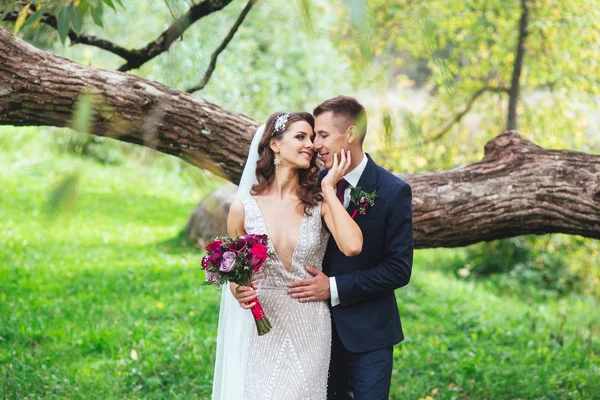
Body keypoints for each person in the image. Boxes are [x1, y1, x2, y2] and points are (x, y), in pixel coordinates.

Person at [211, 111, 363, 400]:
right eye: (300, 137)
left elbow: (353, 245)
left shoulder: (319, 203)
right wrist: (237, 289)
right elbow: (233, 272)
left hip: (309, 325)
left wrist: (329, 189)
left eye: (312, 137)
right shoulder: (243, 208)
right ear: (275, 145)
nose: (311, 144)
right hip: (261, 328)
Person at [288, 96, 414, 400]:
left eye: (324, 135)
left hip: (370, 335)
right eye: (315, 136)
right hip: (317, 331)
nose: (316, 144)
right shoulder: (310, 183)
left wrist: (332, 287)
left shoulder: (392, 191)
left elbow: (398, 270)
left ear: (351, 135)